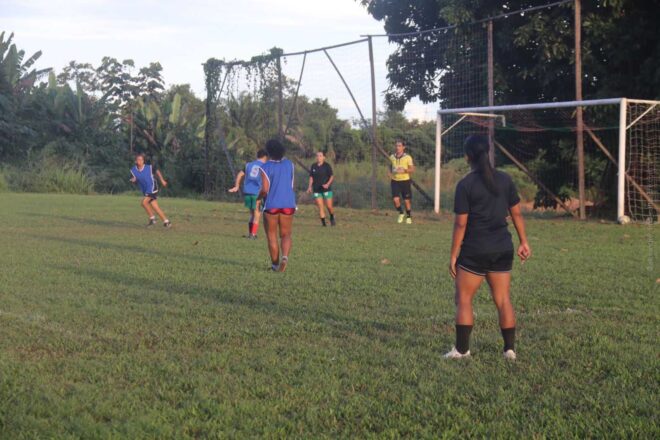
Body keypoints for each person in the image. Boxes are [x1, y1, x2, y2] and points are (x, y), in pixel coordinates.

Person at [444, 135, 531, 360]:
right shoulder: (505, 179)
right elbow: (517, 213)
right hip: (503, 247)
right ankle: (509, 350)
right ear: (488, 152)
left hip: (475, 249)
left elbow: (461, 224)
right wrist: (523, 241)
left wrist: (453, 254)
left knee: (464, 299)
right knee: (503, 299)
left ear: (467, 156)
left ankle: (462, 350)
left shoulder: (465, 185)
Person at [258, 139, 297, 272]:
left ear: (268, 152)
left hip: (272, 205)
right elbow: (292, 184)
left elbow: (265, 189)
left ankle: (275, 265)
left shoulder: (265, 167)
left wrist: (258, 199)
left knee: (271, 235)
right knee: (286, 234)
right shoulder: (290, 164)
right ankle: (284, 257)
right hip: (288, 204)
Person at [228, 149, 268, 239]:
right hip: (257, 192)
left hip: (247, 191)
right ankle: (253, 234)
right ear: (265, 157)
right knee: (257, 213)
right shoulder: (265, 166)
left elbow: (240, 174)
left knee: (252, 213)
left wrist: (237, 186)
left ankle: (250, 233)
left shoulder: (248, 165)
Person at [130, 153, 171, 228]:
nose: (140, 161)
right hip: (145, 190)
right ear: (135, 161)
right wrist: (134, 180)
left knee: (144, 203)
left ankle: (152, 219)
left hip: (152, 187)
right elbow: (134, 180)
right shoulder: (133, 170)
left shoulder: (149, 167)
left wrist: (162, 180)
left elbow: (157, 171)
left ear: (143, 161)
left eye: (142, 160)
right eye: (138, 160)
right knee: (155, 207)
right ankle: (166, 222)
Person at [389, 139, 415, 224]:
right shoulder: (392, 157)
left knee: (406, 201)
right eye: (396, 146)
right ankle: (401, 213)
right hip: (395, 181)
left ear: (403, 147)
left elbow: (412, 169)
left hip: (405, 181)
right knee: (395, 199)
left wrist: (404, 170)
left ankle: (408, 216)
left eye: (399, 146)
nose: (397, 147)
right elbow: (390, 166)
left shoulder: (408, 157)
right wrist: (390, 173)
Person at [307, 151, 336, 227]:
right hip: (316, 189)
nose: (318, 157)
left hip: (326, 189)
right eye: (317, 156)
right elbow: (311, 177)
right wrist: (309, 187)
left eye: (320, 156)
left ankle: (332, 216)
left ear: (323, 157)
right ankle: (324, 224)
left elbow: (331, 176)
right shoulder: (313, 166)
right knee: (320, 206)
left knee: (329, 206)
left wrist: (327, 184)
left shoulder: (327, 166)